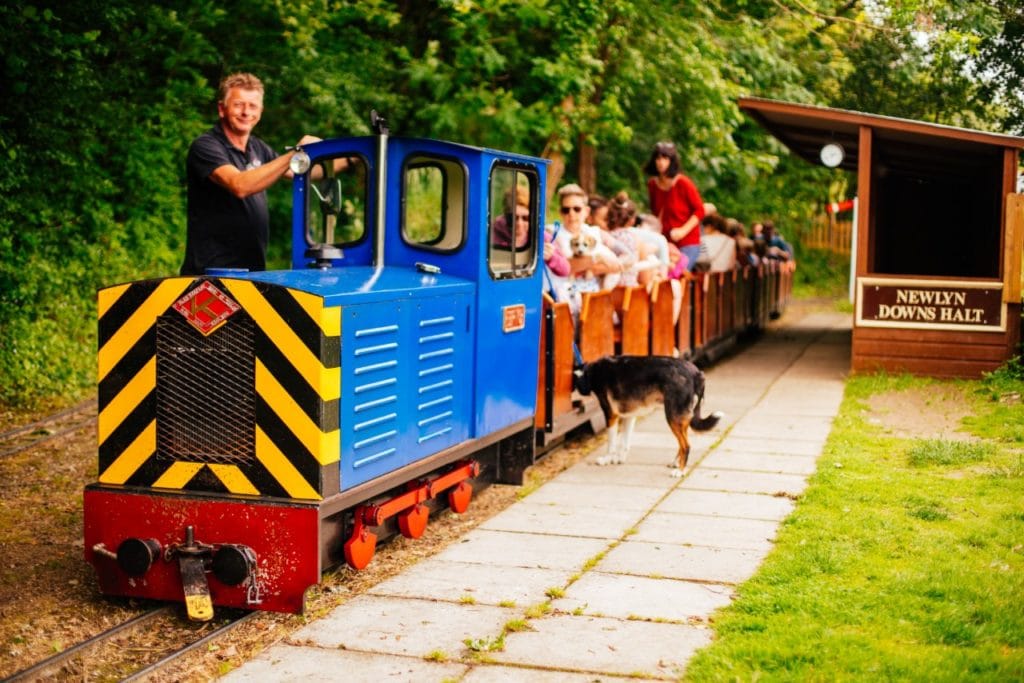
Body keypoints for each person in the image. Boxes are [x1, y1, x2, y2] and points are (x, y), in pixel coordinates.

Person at [181, 72, 327, 275]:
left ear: (261, 110)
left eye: (252, 106)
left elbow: (300, 171)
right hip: (212, 274)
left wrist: (352, 158)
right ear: (222, 109)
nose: (246, 112)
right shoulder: (206, 146)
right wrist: (296, 153)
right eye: (238, 104)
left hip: (252, 271)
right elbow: (239, 185)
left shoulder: (258, 148)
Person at [644, 141, 705, 271]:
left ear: (672, 161)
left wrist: (683, 230)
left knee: (677, 273)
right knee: (658, 272)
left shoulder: (683, 183)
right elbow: (655, 212)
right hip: (665, 242)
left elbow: (700, 210)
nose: (661, 162)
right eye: (658, 158)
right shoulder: (652, 185)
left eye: (665, 158)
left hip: (687, 242)